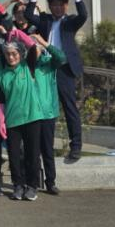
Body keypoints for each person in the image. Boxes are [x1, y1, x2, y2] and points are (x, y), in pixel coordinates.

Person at [24, 0, 87, 162]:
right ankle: (43, 147)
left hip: (64, 68)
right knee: (43, 106)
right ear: (50, 7)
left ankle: (76, 146)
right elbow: (28, 15)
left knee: (69, 107)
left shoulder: (71, 21)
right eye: (54, 5)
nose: (57, 8)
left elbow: (83, 15)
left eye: (61, 5)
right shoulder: (45, 20)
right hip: (45, 67)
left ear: (66, 6)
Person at [0, 39, 42, 201]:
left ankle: (32, 186)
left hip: (32, 117)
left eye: (14, 53)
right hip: (12, 119)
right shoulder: (1, 75)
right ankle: (18, 185)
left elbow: (33, 47)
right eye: (8, 54)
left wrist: (18, 33)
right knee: (14, 155)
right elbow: (0, 101)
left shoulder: (27, 66)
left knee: (32, 154)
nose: (11, 57)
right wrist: (0, 121)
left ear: (20, 54)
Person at [31, 33, 68, 195]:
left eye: (36, 48)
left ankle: (50, 182)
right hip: (30, 114)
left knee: (47, 149)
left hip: (47, 114)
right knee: (32, 151)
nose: (34, 50)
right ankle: (32, 183)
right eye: (31, 48)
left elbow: (61, 57)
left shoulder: (48, 63)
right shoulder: (24, 64)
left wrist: (44, 43)